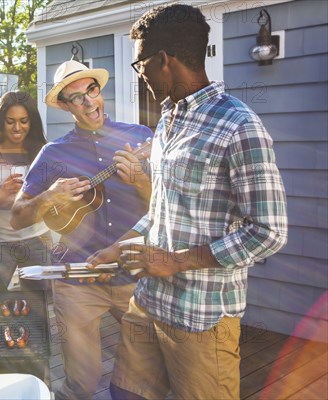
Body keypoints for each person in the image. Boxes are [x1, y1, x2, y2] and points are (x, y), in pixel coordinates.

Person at [88, 4, 288, 399]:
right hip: (147, 303)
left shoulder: (239, 126)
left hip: (201, 318)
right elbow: (163, 209)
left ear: (164, 60)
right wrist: (120, 243)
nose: (140, 74)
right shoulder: (167, 121)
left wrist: (175, 261)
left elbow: (268, 232)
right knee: (124, 395)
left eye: (140, 64)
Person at [10, 60, 153, 399]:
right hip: (76, 281)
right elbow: (17, 216)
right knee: (81, 385)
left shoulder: (140, 137)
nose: (89, 102)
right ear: (64, 105)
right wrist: (49, 196)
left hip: (132, 274)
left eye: (92, 90)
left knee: (143, 377)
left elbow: (162, 205)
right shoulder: (52, 154)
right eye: (77, 97)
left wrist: (141, 180)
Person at [0, 91, 50, 290]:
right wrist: (1, 195)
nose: (17, 128)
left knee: (39, 307)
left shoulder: (43, 153)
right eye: (10, 121)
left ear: (32, 121)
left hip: (38, 241)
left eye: (24, 121)